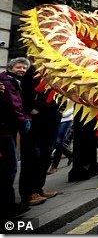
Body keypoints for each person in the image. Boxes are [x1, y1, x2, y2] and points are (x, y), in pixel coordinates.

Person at [17, 62, 59, 205]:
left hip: (51, 116)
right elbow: (25, 91)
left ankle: (39, 188)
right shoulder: (33, 69)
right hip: (38, 119)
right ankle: (29, 193)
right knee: (32, 156)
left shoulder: (54, 68)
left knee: (46, 154)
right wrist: (31, 108)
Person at [0, 58, 33, 218]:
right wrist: (25, 121)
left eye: (24, 67)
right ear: (10, 67)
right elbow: (13, 105)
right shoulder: (6, 82)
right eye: (19, 67)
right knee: (9, 168)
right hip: (4, 131)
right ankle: (9, 207)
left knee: (8, 168)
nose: (22, 69)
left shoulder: (13, 81)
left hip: (8, 130)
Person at [48, 103, 74, 174]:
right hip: (54, 120)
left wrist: (62, 114)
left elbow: (73, 105)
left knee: (58, 141)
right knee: (54, 142)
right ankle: (69, 154)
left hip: (66, 119)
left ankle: (54, 165)